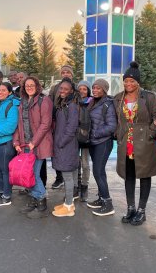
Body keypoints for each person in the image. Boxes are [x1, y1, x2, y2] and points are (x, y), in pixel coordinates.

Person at [113, 62, 156, 224]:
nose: (129, 84)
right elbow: (115, 119)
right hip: (126, 144)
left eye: (132, 81)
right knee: (129, 175)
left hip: (144, 143)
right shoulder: (118, 98)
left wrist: (151, 133)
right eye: (126, 81)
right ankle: (130, 208)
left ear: (138, 82)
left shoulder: (148, 97)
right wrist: (118, 134)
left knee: (144, 175)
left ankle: (142, 210)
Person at [14, 76, 53, 219]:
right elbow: (19, 125)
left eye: (32, 85)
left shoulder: (44, 100)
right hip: (25, 144)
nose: (29, 87)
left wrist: (34, 142)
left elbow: (45, 124)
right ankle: (35, 198)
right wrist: (16, 142)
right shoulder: (22, 102)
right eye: (26, 85)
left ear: (37, 86)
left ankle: (41, 197)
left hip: (38, 144)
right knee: (27, 173)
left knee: (34, 173)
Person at [85, 79, 117, 216]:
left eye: (98, 88)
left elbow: (111, 126)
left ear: (104, 89)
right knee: (99, 172)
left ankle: (108, 204)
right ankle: (101, 198)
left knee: (98, 172)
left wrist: (95, 133)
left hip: (103, 142)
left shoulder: (108, 105)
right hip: (93, 142)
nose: (95, 90)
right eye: (93, 88)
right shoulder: (93, 102)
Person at [51, 78, 79, 217]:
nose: (62, 91)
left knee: (68, 177)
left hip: (66, 146)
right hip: (63, 145)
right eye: (61, 88)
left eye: (66, 89)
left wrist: (60, 143)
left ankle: (68, 207)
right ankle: (69, 202)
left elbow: (71, 128)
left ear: (71, 91)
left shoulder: (72, 106)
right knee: (68, 175)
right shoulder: (63, 104)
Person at [49, 65, 75, 189]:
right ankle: (59, 178)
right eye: (63, 72)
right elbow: (50, 103)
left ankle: (75, 183)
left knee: (72, 158)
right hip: (58, 120)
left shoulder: (75, 89)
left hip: (70, 123)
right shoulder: (55, 88)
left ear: (72, 74)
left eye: (68, 72)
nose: (65, 74)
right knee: (58, 154)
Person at [77, 80, 92, 201]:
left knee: (85, 163)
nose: (82, 91)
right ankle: (76, 185)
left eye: (84, 89)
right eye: (80, 88)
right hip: (75, 137)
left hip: (86, 137)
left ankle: (84, 185)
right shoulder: (74, 102)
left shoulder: (92, 103)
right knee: (75, 162)